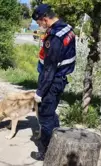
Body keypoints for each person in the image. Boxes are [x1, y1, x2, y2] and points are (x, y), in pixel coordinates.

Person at [31, 4, 76, 160]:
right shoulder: (66, 29)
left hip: (52, 81)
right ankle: (58, 142)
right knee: (51, 115)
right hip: (60, 79)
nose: (40, 26)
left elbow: (49, 69)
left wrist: (40, 92)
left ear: (45, 19)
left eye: (39, 23)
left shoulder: (55, 37)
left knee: (44, 116)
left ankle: (48, 152)